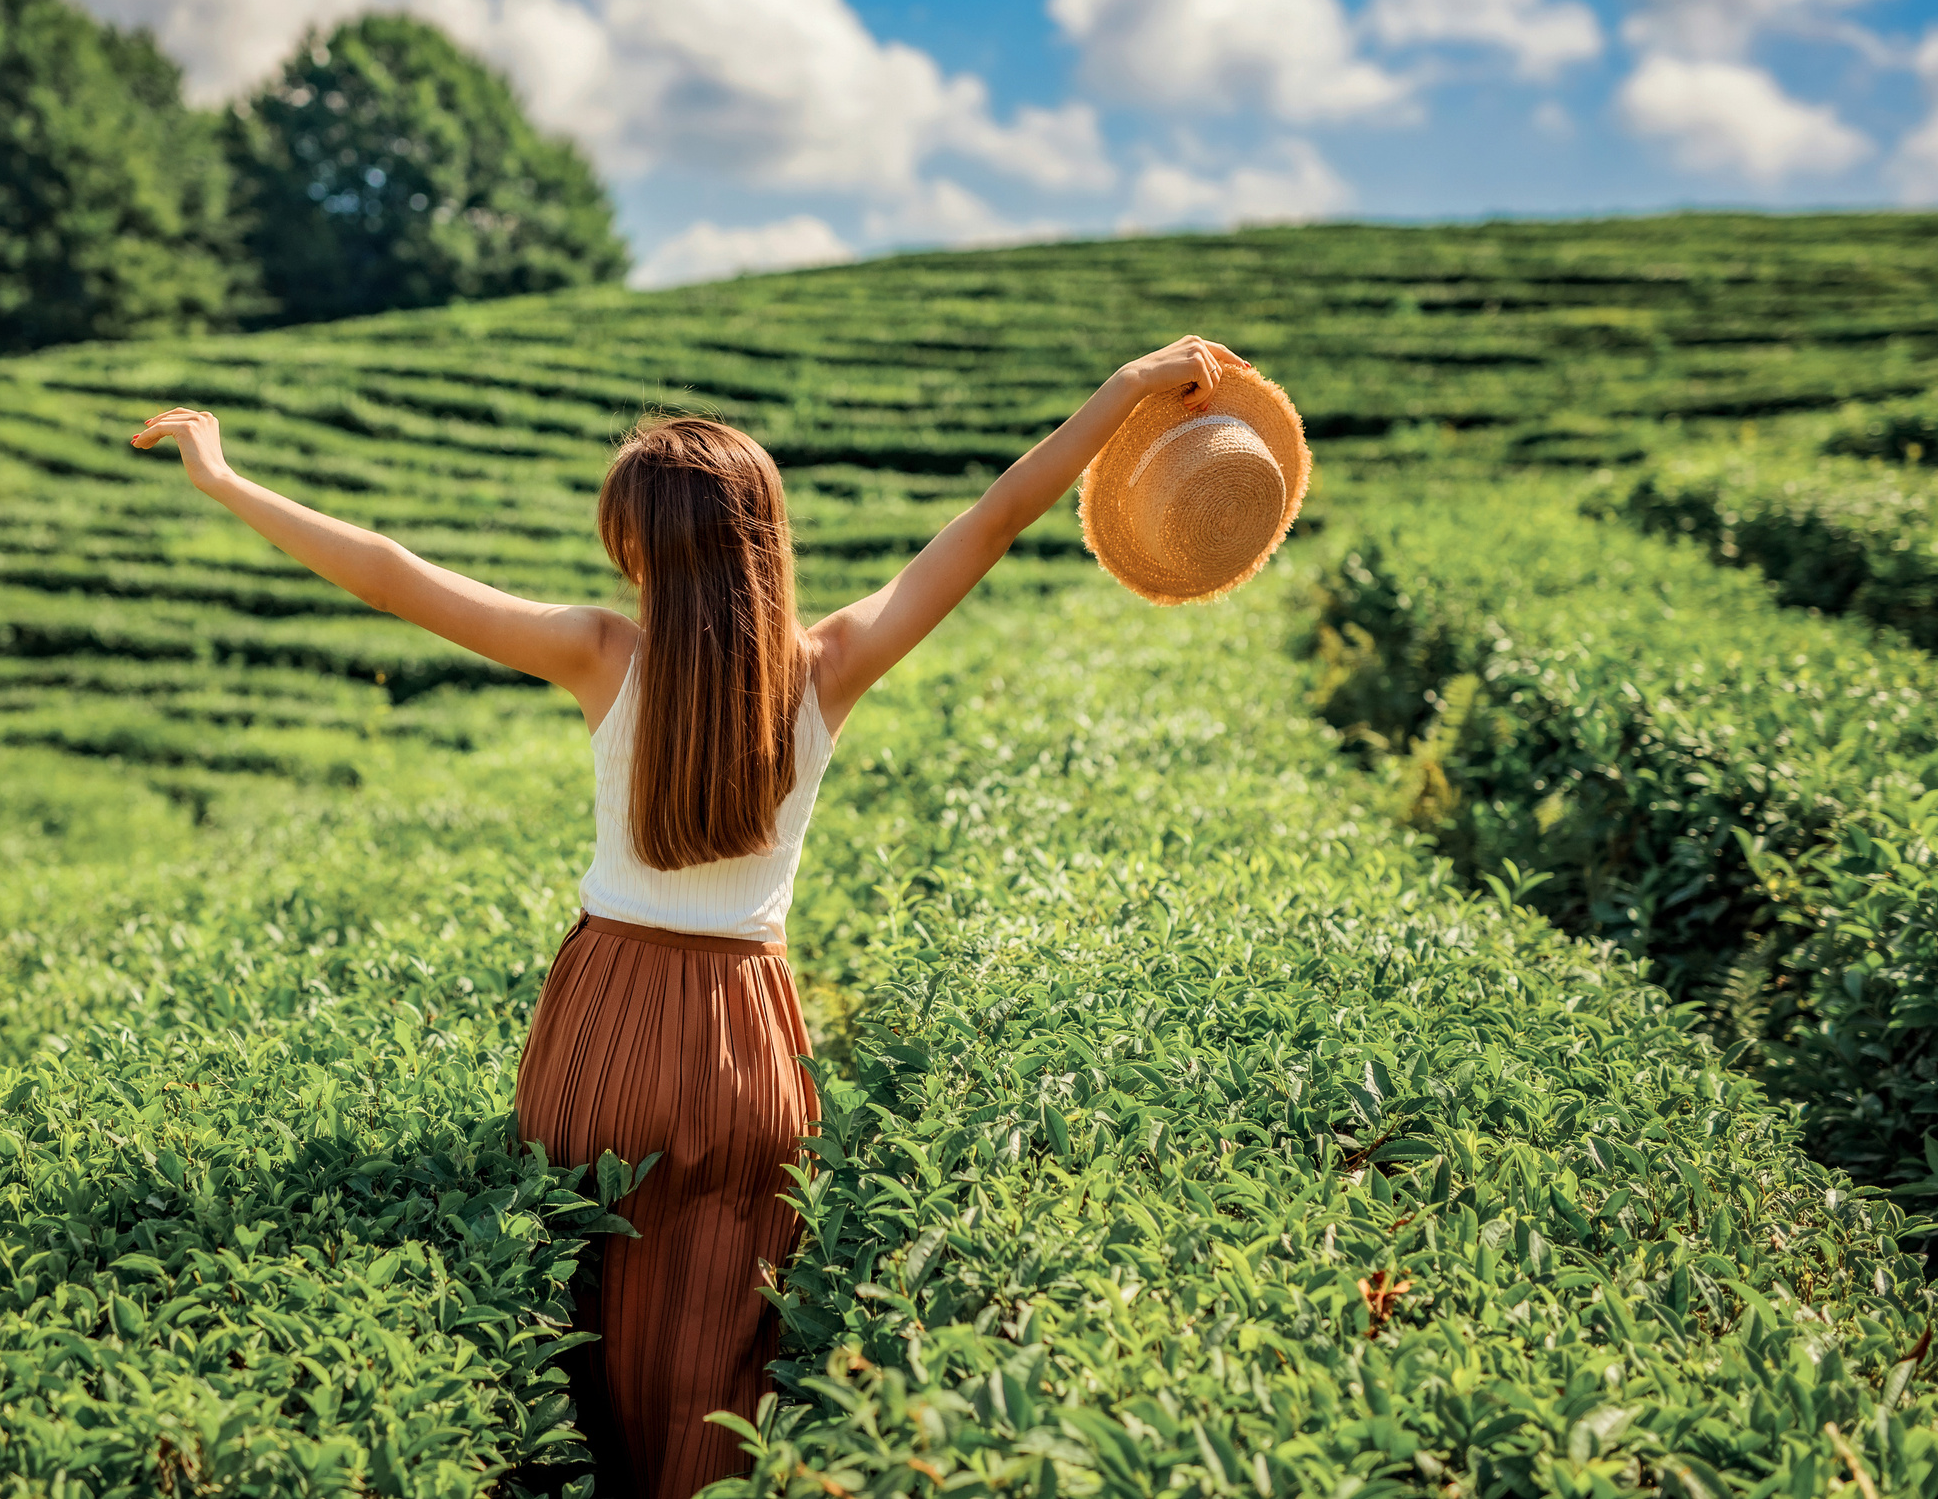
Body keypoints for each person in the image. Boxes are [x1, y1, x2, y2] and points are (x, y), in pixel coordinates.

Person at [128, 334, 1226, 1499]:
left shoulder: (600, 653)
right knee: (721, 1357)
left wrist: (223, 476)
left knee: (573, 1324)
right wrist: (1122, 393)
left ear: (637, 544)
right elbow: (993, 521)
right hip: (747, 1040)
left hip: (605, 1015)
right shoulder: (831, 663)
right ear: (766, 538)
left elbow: (392, 573)